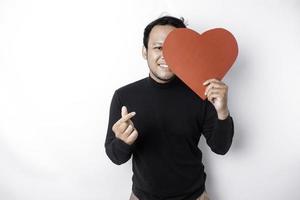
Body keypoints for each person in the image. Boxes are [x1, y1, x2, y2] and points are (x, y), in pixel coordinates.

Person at [104, 16, 234, 200]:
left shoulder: (201, 92)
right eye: (158, 47)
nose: (166, 55)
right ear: (144, 51)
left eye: (174, 49)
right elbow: (116, 157)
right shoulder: (124, 96)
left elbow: (221, 147)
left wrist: (222, 111)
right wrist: (123, 142)